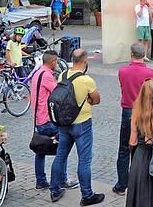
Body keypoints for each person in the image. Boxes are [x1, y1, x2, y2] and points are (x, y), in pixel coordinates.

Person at [50, 49, 104, 205]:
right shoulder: (87, 80)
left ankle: (54, 190)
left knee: (60, 156)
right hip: (82, 124)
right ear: (85, 61)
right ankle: (87, 195)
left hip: (64, 123)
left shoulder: (62, 75)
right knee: (84, 160)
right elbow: (97, 99)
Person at [114, 43, 153, 196]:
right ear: (144, 54)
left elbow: (123, 87)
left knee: (124, 149)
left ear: (131, 54)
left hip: (128, 111)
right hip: (146, 113)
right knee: (144, 149)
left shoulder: (122, 71)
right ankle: (139, 184)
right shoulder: (152, 73)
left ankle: (121, 185)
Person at [30, 50, 78, 191]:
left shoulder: (38, 73)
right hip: (47, 119)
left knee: (40, 150)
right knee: (63, 148)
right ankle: (63, 179)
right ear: (52, 62)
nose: (57, 64)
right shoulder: (47, 76)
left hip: (38, 118)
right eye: (56, 62)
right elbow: (59, 94)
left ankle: (41, 181)